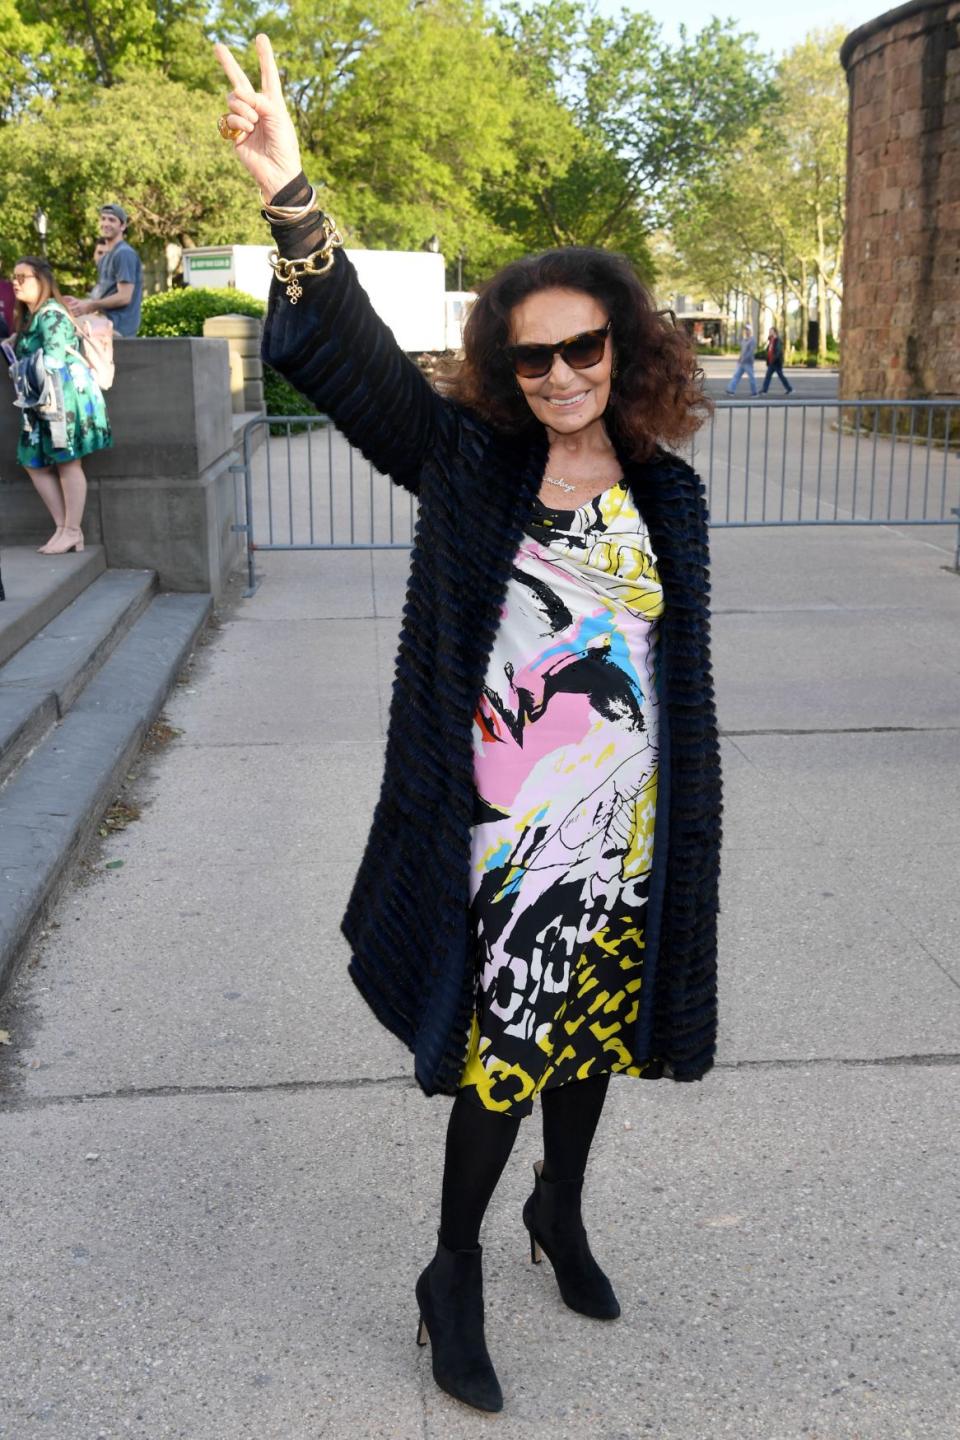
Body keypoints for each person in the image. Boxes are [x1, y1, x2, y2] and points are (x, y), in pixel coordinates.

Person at [215, 34, 722, 1416]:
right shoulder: (470, 465)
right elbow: (364, 368)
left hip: (626, 833)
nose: (561, 374)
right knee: (505, 1056)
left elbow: (673, 681)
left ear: (626, 347)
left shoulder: (665, 491)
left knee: (597, 1036)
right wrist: (293, 196)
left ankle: (560, 1214)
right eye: (535, 354)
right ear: (507, 362)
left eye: (585, 349)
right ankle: (453, 1269)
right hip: (498, 836)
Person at [10, 257, 112, 553]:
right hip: (41, 400)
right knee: (33, 461)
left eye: (23, 277)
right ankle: (64, 528)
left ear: (42, 280)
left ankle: (71, 530)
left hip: (62, 397)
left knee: (68, 461)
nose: (15, 282)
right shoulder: (33, 316)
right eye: (13, 277)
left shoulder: (51, 313)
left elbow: (53, 359)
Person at [67, 203, 143, 337]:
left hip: (118, 328)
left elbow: (124, 297)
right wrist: (79, 303)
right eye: (103, 219)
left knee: (62, 328)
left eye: (112, 220)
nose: (106, 223)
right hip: (102, 322)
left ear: (123, 226)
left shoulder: (124, 254)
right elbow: (103, 296)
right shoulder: (106, 256)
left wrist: (90, 306)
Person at [726, 323, 758, 396]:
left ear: (750, 331)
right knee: (736, 376)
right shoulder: (744, 340)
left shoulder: (752, 340)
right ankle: (731, 390)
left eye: (748, 330)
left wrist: (744, 358)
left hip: (748, 362)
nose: (746, 331)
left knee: (751, 377)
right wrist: (740, 358)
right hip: (741, 362)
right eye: (745, 330)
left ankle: (754, 392)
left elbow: (750, 352)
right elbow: (742, 350)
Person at [761, 325, 793, 395]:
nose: (769, 333)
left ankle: (789, 389)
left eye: (771, 331)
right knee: (768, 376)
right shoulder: (770, 340)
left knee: (781, 376)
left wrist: (774, 359)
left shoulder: (777, 340)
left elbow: (778, 351)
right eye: (769, 331)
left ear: (774, 332)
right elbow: (769, 350)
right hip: (771, 362)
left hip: (776, 363)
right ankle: (764, 390)